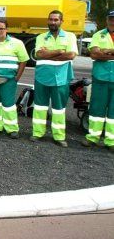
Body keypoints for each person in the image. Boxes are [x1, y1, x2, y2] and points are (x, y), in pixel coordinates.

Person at [30, 10, 77, 147]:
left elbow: (71, 55)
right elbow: (39, 55)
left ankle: (59, 136)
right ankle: (37, 133)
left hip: (61, 78)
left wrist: (48, 53)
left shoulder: (70, 36)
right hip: (42, 77)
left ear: (61, 21)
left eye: (56, 20)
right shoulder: (41, 37)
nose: (52, 22)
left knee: (59, 108)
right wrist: (59, 52)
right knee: (39, 106)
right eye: (50, 19)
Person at [0, 19, 29, 139]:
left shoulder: (17, 43)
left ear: (6, 29)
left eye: (2, 28)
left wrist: (17, 77)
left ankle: (12, 129)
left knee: (8, 105)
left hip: (8, 79)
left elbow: (23, 61)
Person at [82, 10, 114, 151]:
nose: (113, 21)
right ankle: (92, 138)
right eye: (111, 18)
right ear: (107, 19)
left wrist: (106, 52)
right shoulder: (98, 35)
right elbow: (94, 54)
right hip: (101, 77)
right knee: (96, 109)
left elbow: (99, 53)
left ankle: (111, 141)